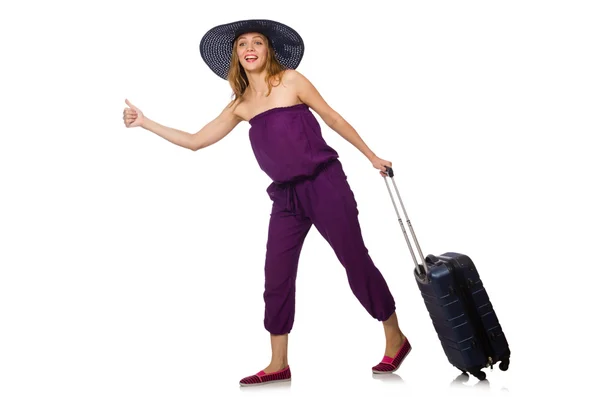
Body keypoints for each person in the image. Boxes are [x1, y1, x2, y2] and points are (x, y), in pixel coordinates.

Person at [122, 19, 411, 387]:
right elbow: (195, 140)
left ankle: (395, 336)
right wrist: (146, 122)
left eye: (257, 41)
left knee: (354, 260)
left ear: (267, 50)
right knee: (276, 276)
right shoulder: (240, 105)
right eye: (243, 43)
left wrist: (371, 156)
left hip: (324, 184)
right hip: (286, 197)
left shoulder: (290, 81)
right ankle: (278, 363)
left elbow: (332, 117)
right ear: (237, 55)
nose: (250, 47)